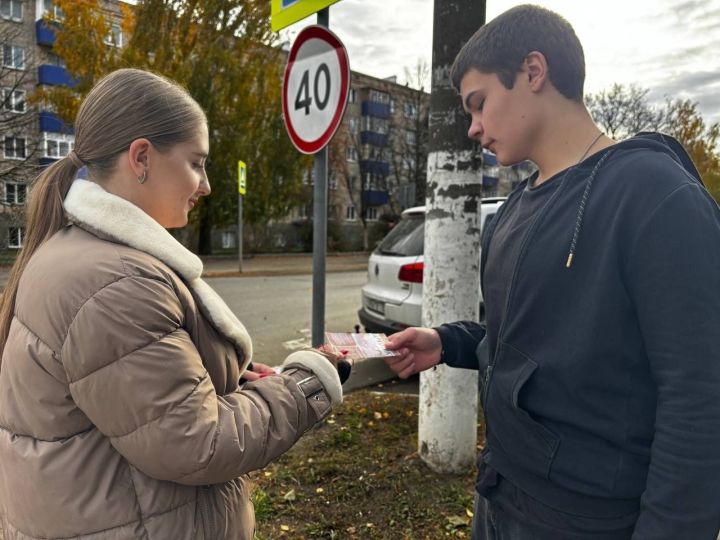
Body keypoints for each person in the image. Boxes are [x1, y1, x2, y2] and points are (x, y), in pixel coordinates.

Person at [384, 5, 720, 539]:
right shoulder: (515, 209)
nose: (472, 128)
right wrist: (445, 343)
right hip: (498, 499)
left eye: (480, 104)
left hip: (589, 521)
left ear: (534, 72)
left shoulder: (654, 195)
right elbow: (524, 342)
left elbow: (699, 400)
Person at [0, 68, 349, 540]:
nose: (205, 185)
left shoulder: (76, 254)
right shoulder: (116, 283)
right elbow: (197, 442)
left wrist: (217, 375)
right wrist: (308, 382)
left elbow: (126, 399)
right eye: (197, 163)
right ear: (141, 157)